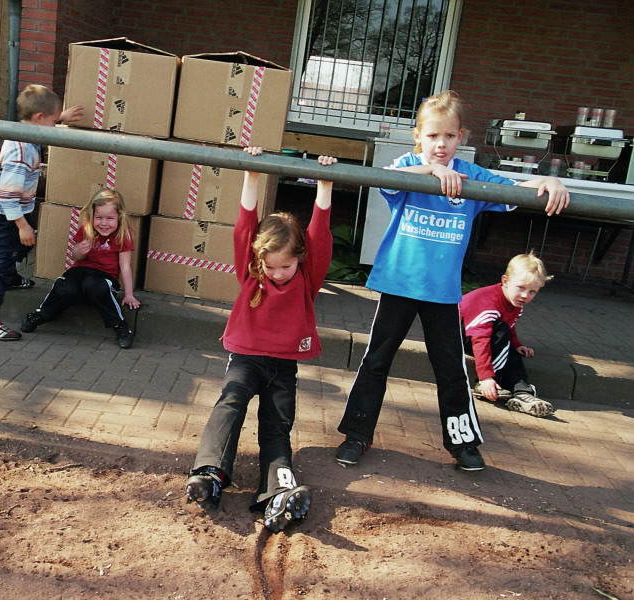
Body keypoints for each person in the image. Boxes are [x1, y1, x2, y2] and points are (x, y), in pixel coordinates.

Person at [334, 90, 569, 471]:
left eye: (448, 136)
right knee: (376, 360)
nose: (440, 144)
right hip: (399, 285)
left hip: (443, 293)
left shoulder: (470, 176)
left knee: (451, 369)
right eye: (432, 135)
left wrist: (548, 180)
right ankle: (357, 435)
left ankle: (462, 444)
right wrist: (430, 172)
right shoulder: (409, 165)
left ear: (461, 136)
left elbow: (512, 191)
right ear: (418, 136)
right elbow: (384, 178)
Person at [186, 147, 337, 533]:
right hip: (246, 357)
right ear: (259, 261)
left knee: (277, 424)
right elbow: (244, 226)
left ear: (300, 259)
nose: (279, 273)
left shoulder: (307, 277)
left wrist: (324, 185)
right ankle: (210, 472)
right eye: (271, 266)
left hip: (283, 364)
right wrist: (251, 175)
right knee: (230, 402)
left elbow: (319, 236)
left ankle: (278, 490)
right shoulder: (253, 272)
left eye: (287, 265)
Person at [0, 84, 83, 340]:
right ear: (39, 118)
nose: (55, 126)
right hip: (3, 209)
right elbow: (8, 195)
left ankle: (10, 275)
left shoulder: (26, 130)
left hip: (14, 207)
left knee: (26, 239)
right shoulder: (21, 151)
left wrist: (60, 117)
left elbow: (43, 125)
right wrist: (21, 225)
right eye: (53, 121)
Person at [19, 189, 140, 349]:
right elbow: (75, 257)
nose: (104, 223)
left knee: (95, 286)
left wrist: (129, 294)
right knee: (64, 286)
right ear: (92, 215)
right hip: (80, 271)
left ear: (119, 216)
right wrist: (79, 251)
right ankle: (42, 314)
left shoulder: (124, 234)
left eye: (110, 218)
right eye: (99, 218)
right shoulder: (87, 228)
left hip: (105, 276)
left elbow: (125, 266)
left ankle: (119, 325)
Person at [460, 252, 555, 417]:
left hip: (484, 334)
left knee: (512, 353)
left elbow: (510, 326)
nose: (525, 295)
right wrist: (486, 377)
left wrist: (517, 344)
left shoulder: (515, 302)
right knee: (501, 334)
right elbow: (481, 339)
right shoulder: (489, 302)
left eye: (532, 292)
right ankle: (488, 384)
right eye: (521, 288)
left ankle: (522, 392)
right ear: (505, 281)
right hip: (458, 335)